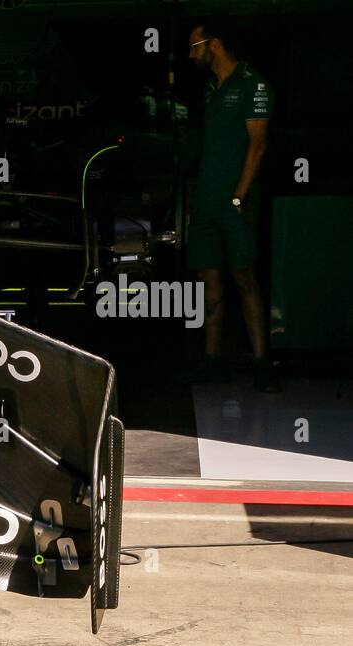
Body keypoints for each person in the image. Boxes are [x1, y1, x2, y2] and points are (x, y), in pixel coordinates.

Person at [186, 20, 277, 392]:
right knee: (209, 280)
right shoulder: (211, 89)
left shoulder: (253, 84)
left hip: (235, 201)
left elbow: (258, 144)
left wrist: (239, 194)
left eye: (196, 46)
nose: (192, 54)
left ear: (215, 45)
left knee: (244, 276)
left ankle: (261, 362)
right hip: (207, 200)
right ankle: (212, 360)